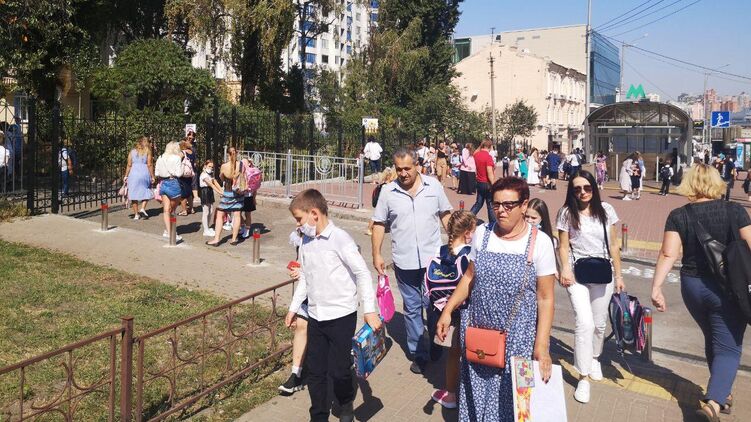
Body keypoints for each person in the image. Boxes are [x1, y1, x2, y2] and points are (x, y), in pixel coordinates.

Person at [436, 176, 556, 421]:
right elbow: (469, 277)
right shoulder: (483, 233)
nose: (501, 210)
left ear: (524, 205)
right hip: (479, 333)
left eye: (509, 205)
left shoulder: (540, 242)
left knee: (519, 402)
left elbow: (545, 299)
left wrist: (541, 346)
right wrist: (448, 310)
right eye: (496, 204)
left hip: (520, 340)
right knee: (476, 392)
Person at [651, 163, 750, 422]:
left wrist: (657, 286)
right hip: (729, 288)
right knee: (729, 346)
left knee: (713, 337)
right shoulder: (735, 211)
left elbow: (668, 254)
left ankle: (723, 391)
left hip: (693, 286)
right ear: (717, 182)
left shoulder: (678, 215)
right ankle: (713, 405)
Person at [286, 189, 381, 422]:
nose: (298, 225)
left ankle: (345, 403)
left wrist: (369, 310)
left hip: (341, 316)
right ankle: (318, 415)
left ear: (314, 214)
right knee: (316, 371)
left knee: (339, 370)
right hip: (316, 315)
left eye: (299, 219)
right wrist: (293, 308)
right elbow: (305, 278)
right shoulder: (306, 241)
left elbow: (362, 273)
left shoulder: (340, 239)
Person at [372, 147, 452, 374]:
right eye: (399, 169)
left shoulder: (433, 186)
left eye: (407, 168)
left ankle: (436, 342)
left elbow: (446, 214)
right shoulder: (388, 192)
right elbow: (378, 223)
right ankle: (419, 353)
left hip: (433, 262)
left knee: (435, 305)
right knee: (412, 308)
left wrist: (456, 244)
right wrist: (376, 253)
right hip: (404, 261)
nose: (403, 173)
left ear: (417, 165)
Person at [557, 170, 624, 404]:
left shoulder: (606, 210)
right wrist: (565, 268)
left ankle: (594, 357)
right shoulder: (566, 213)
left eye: (587, 187)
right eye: (577, 189)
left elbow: (614, 245)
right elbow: (562, 246)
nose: (583, 192)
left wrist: (619, 275)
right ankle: (583, 376)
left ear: (594, 187)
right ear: (572, 191)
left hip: (603, 271)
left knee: (599, 323)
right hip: (577, 272)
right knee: (584, 323)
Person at [428, 210, 476, 410]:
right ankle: (470, 394)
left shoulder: (439, 251)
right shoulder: (470, 254)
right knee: (471, 354)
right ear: (468, 233)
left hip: (447, 313)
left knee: (453, 355)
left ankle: (450, 395)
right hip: (468, 311)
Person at [279, 228, 309, 395]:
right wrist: (298, 270)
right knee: (301, 326)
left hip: (330, 296)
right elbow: (301, 262)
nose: (298, 224)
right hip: (308, 292)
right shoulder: (301, 236)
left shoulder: (332, 238)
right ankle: (296, 374)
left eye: (300, 219)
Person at [206, 147, 243, 246]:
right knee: (237, 215)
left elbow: (222, 178)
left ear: (228, 155)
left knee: (220, 215)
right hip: (238, 193)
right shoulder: (241, 164)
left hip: (227, 193)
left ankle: (216, 239)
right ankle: (234, 239)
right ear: (237, 153)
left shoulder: (224, 166)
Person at [154, 141, 185, 241]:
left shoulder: (160, 157)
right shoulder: (177, 158)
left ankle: (168, 231)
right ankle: (172, 232)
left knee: (166, 210)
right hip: (173, 183)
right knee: (173, 210)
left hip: (163, 183)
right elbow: (179, 173)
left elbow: (157, 173)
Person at [123, 136, 155, 220]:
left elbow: (129, 164)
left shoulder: (132, 152)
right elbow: (149, 164)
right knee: (146, 190)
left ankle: (136, 214)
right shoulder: (148, 151)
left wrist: (126, 175)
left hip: (133, 173)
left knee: (133, 193)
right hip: (144, 172)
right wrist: (152, 176)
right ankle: (142, 208)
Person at [470, 139, 497, 224]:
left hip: (479, 182)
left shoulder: (477, 155)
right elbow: (490, 173)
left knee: (478, 203)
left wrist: (481, 145)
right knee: (490, 204)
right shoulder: (488, 157)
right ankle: (493, 223)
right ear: (490, 146)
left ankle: (468, 217)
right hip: (487, 183)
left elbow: (475, 152)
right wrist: (494, 185)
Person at [366, 166, 397, 235]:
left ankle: (371, 228)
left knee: (377, 215)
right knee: (376, 216)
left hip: (380, 201)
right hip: (381, 201)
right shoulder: (386, 185)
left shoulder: (383, 183)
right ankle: (369, 228)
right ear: (388, 176)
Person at [199, 160, 222, 236]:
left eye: (212, 167)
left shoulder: (210, 174)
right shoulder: (203, 175)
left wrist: (222, 190)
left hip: (210, 192)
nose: (211, 168)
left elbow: (215, 182)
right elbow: (211, 184)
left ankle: (207, 227)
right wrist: (220, 193)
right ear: (205, 166)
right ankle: (205, 230)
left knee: (211, 210)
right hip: (204, 192)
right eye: (209, 166)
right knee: (206, 211)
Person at [240, 158, 257, 239]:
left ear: (249, 163)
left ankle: (247, 230)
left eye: (244, 163)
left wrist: (254, 198)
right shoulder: (240, 171)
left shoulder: (252, 173)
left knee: (247, 214)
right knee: (237, 213)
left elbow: (255, 188)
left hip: (248, 196)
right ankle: (243, 226)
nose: (242, 164)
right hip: (240, 195)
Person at [178, 139, 196, 215]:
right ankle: (191, 209)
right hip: (190, 174)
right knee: (189, 192)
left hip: (183, 175)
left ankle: (184, 210)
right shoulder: (192, 152)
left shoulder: (182, 152)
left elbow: (177, 161)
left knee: (183, 193)